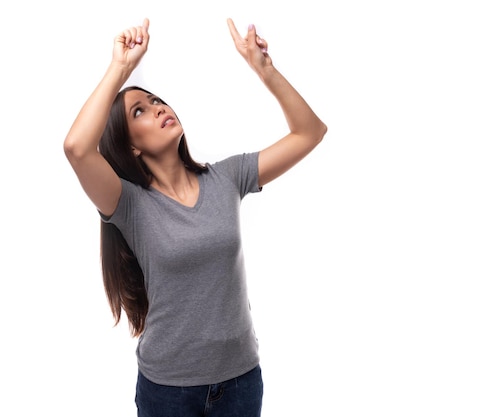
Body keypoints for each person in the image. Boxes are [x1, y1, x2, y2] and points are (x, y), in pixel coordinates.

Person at [63, 17, 326, 417]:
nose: (158, 108)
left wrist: (264, 68)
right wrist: (121, 69)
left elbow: (310, 132)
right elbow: (77, 148)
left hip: (240, 381)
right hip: (167, 391)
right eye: (139, 112)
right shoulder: (127, 204)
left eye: (155, 101)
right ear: (131, 147)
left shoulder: (227, 177)